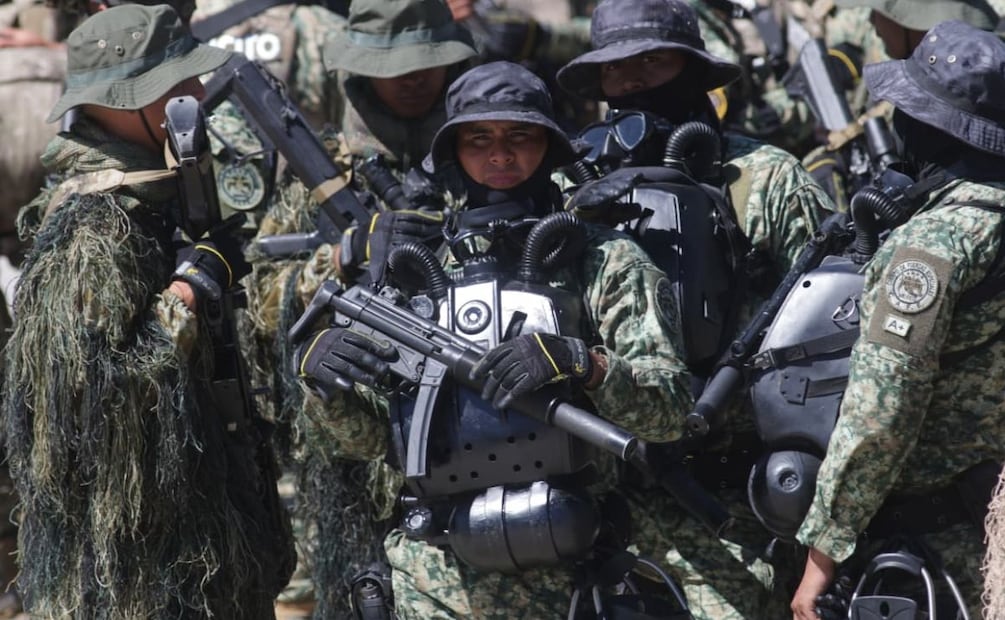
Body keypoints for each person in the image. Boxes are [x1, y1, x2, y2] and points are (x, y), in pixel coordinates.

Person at [294, 60, 696, 619]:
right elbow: (373, 442)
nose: (500, 155)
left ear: (550, 148)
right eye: (478, 138)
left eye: (520, 136)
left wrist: (585, 364)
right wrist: (325, 384)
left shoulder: (605, 260)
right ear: (453, 152)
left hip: (577, 571)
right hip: (437, 578)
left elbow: (670, 411)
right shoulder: (416, 268)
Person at [2, 5, 294, 617]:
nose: (195, 93)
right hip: (138, 573)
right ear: (125, 99)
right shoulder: (95, 226)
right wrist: (192, 289)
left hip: (191, 540)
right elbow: (93, 393)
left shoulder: (153, 190)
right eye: (177, 82)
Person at [554, 1, 835, 617]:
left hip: (735, 512)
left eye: (650, 62)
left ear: (692, 68)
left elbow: (836, 345)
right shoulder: (574, 188)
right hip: (603, 511)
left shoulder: (765, 179)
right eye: (614, 68)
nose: (629, 80)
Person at [790, 19, 1005, 620]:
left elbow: (883, 408)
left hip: (949, 546)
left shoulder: (933, 243)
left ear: (930, 127)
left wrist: (824, 551)